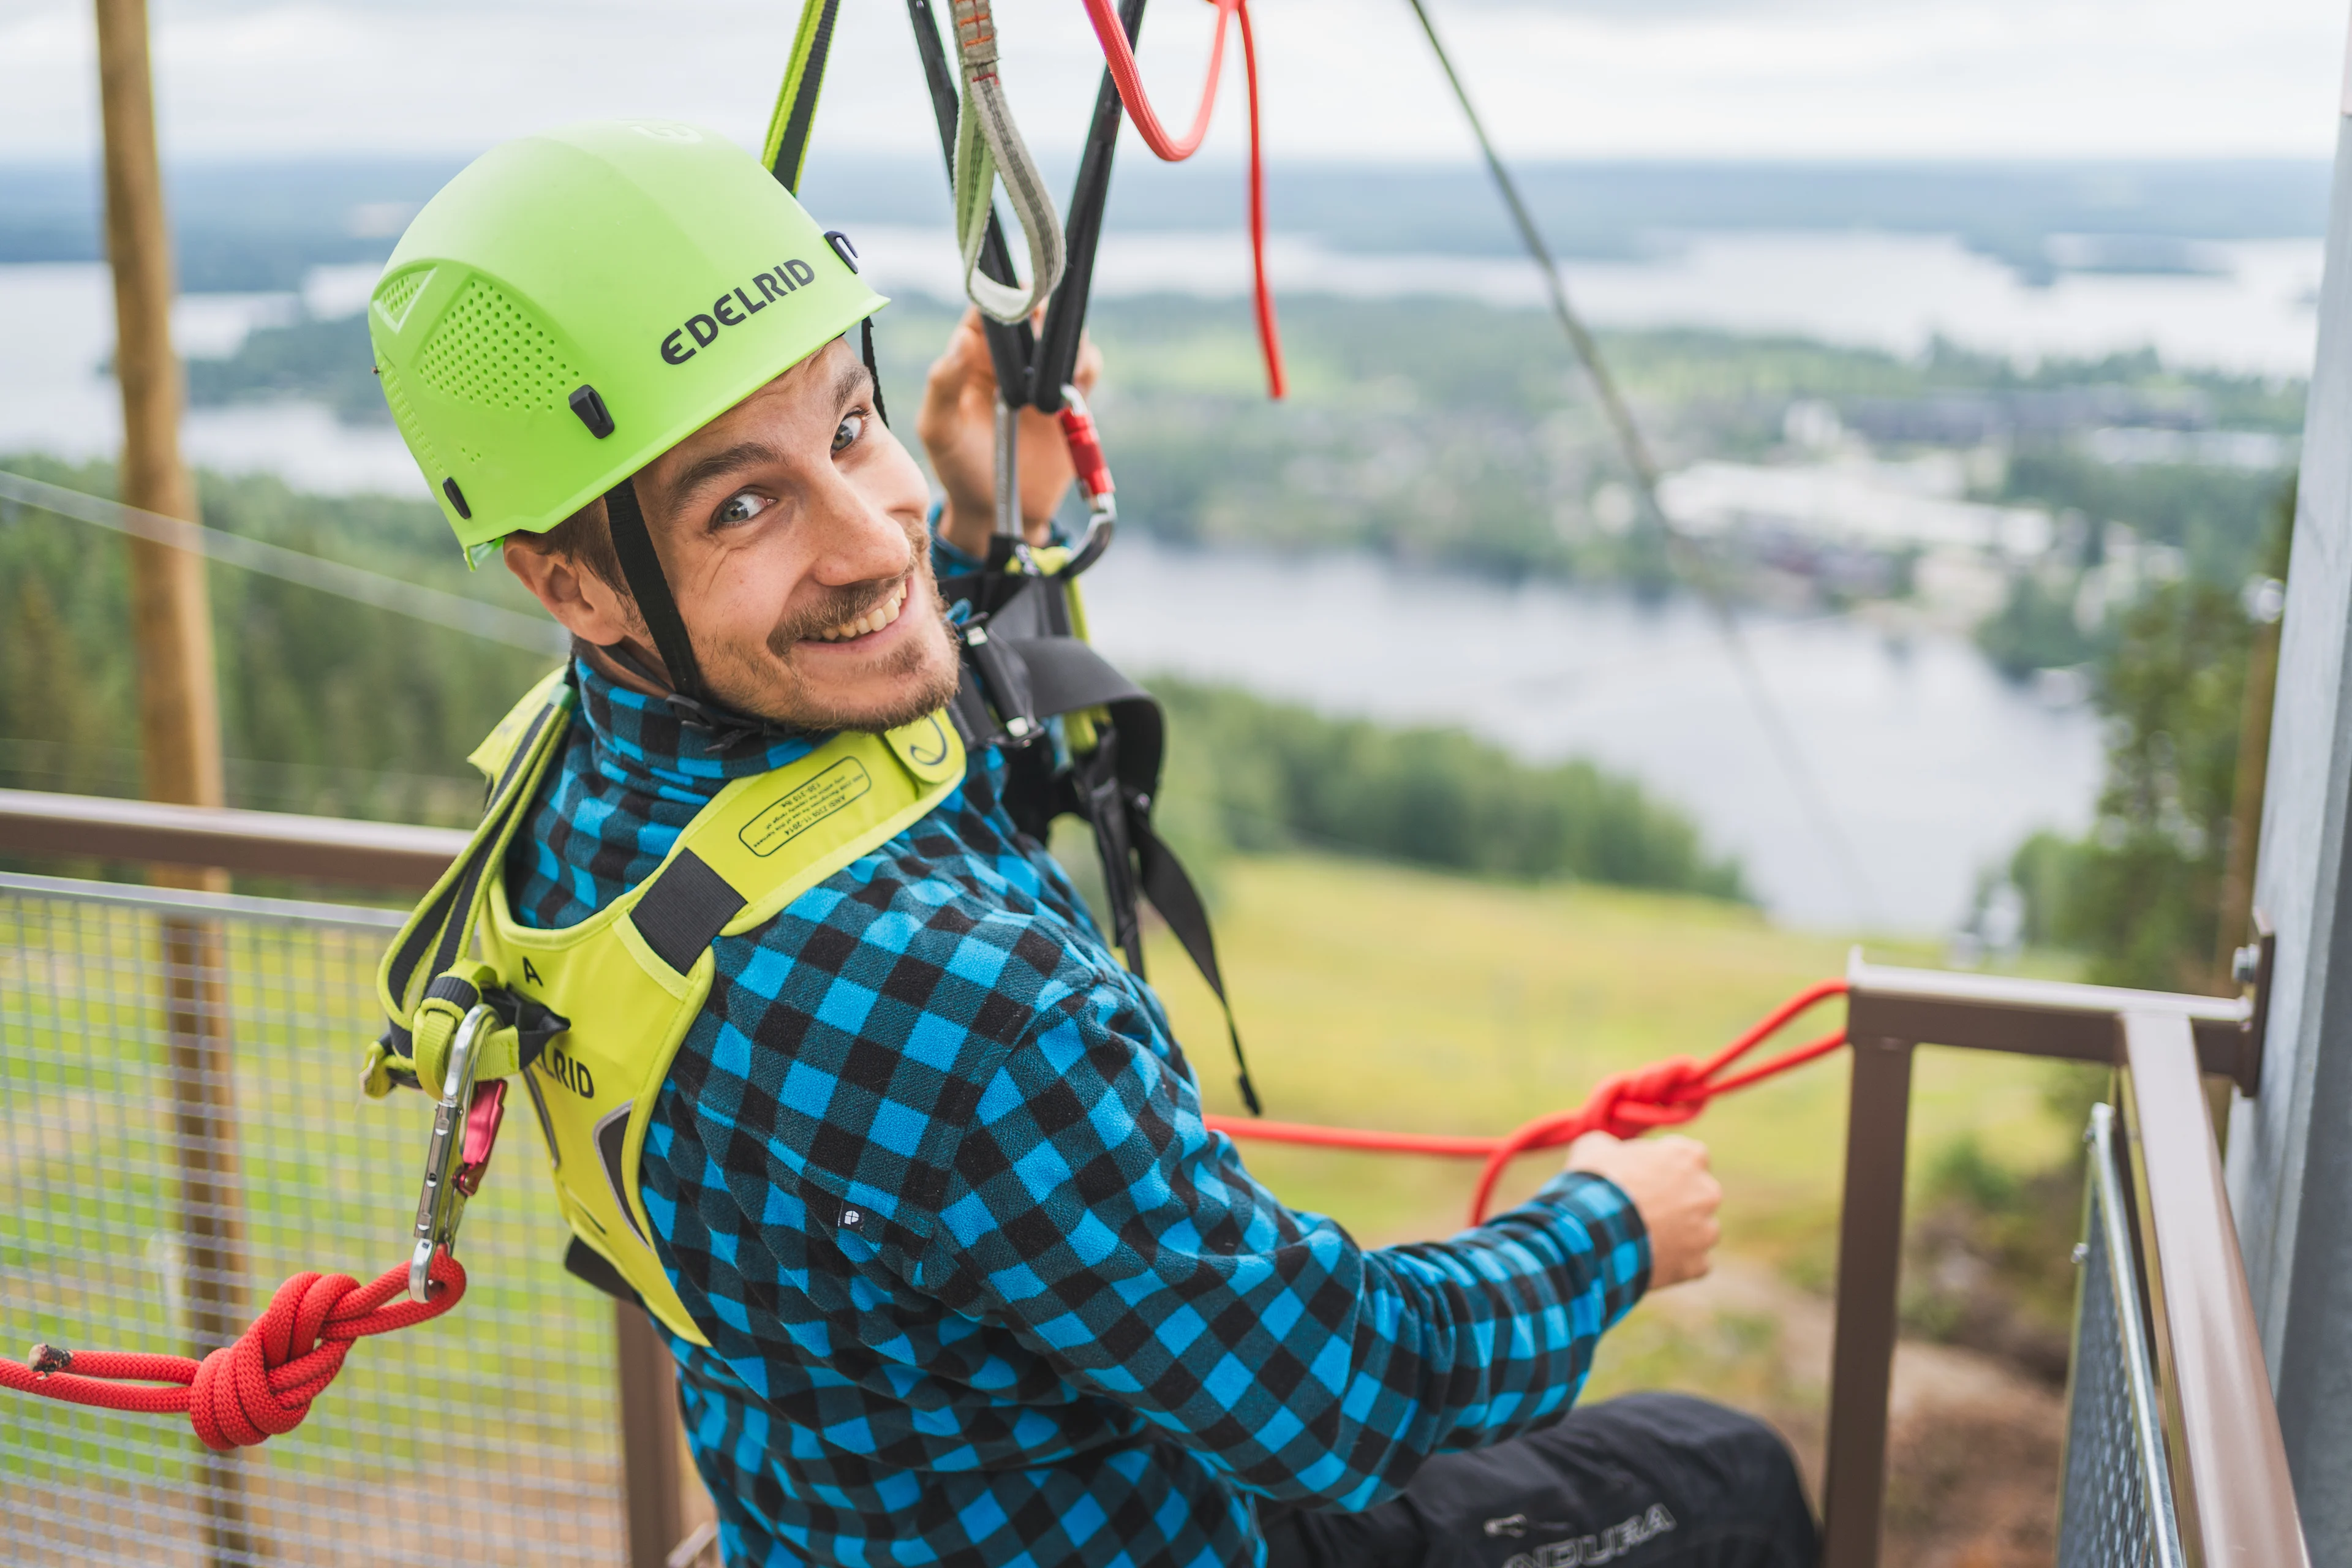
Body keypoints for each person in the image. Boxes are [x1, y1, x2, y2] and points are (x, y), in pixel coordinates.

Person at [370, 120, 1817, 1568]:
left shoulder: (572, 793)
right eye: (743, 502)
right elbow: (1336, 1397)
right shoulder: (978, 1010)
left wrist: (988, 528)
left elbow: (830, 801)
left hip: (824, 1510)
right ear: (575, 582)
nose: (878, 535)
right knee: (1723, 1474)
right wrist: (1609, 1229)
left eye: (850, 424)